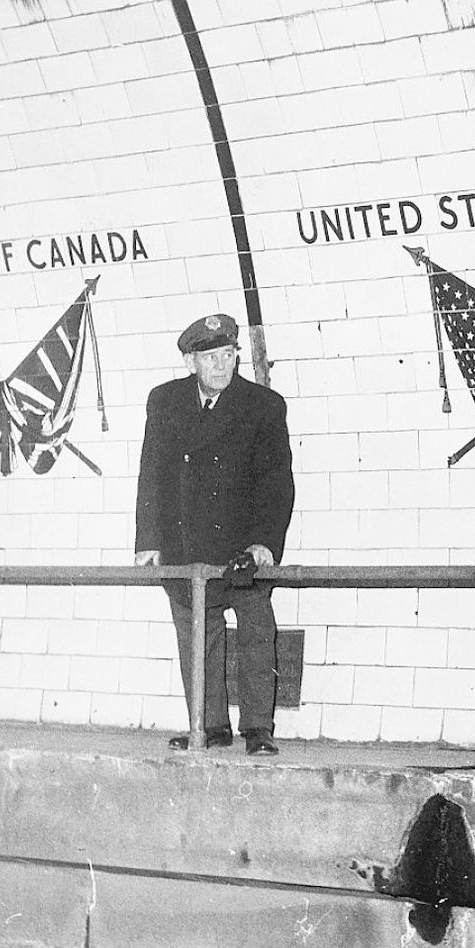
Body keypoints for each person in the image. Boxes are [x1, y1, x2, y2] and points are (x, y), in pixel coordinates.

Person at [135, 312, 294, 755]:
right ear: (191, 363)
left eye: (229, 355)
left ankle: (258, 729)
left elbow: (276, 480)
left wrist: (264, 542)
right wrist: (148, 540)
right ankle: (208, 725)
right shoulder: (164, 402)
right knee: (196, 637)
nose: (223, 366)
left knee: (256, 633)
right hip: (186, 544)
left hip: (243, 545)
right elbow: (152, 473)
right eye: (211, 358)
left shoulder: (263, 405)